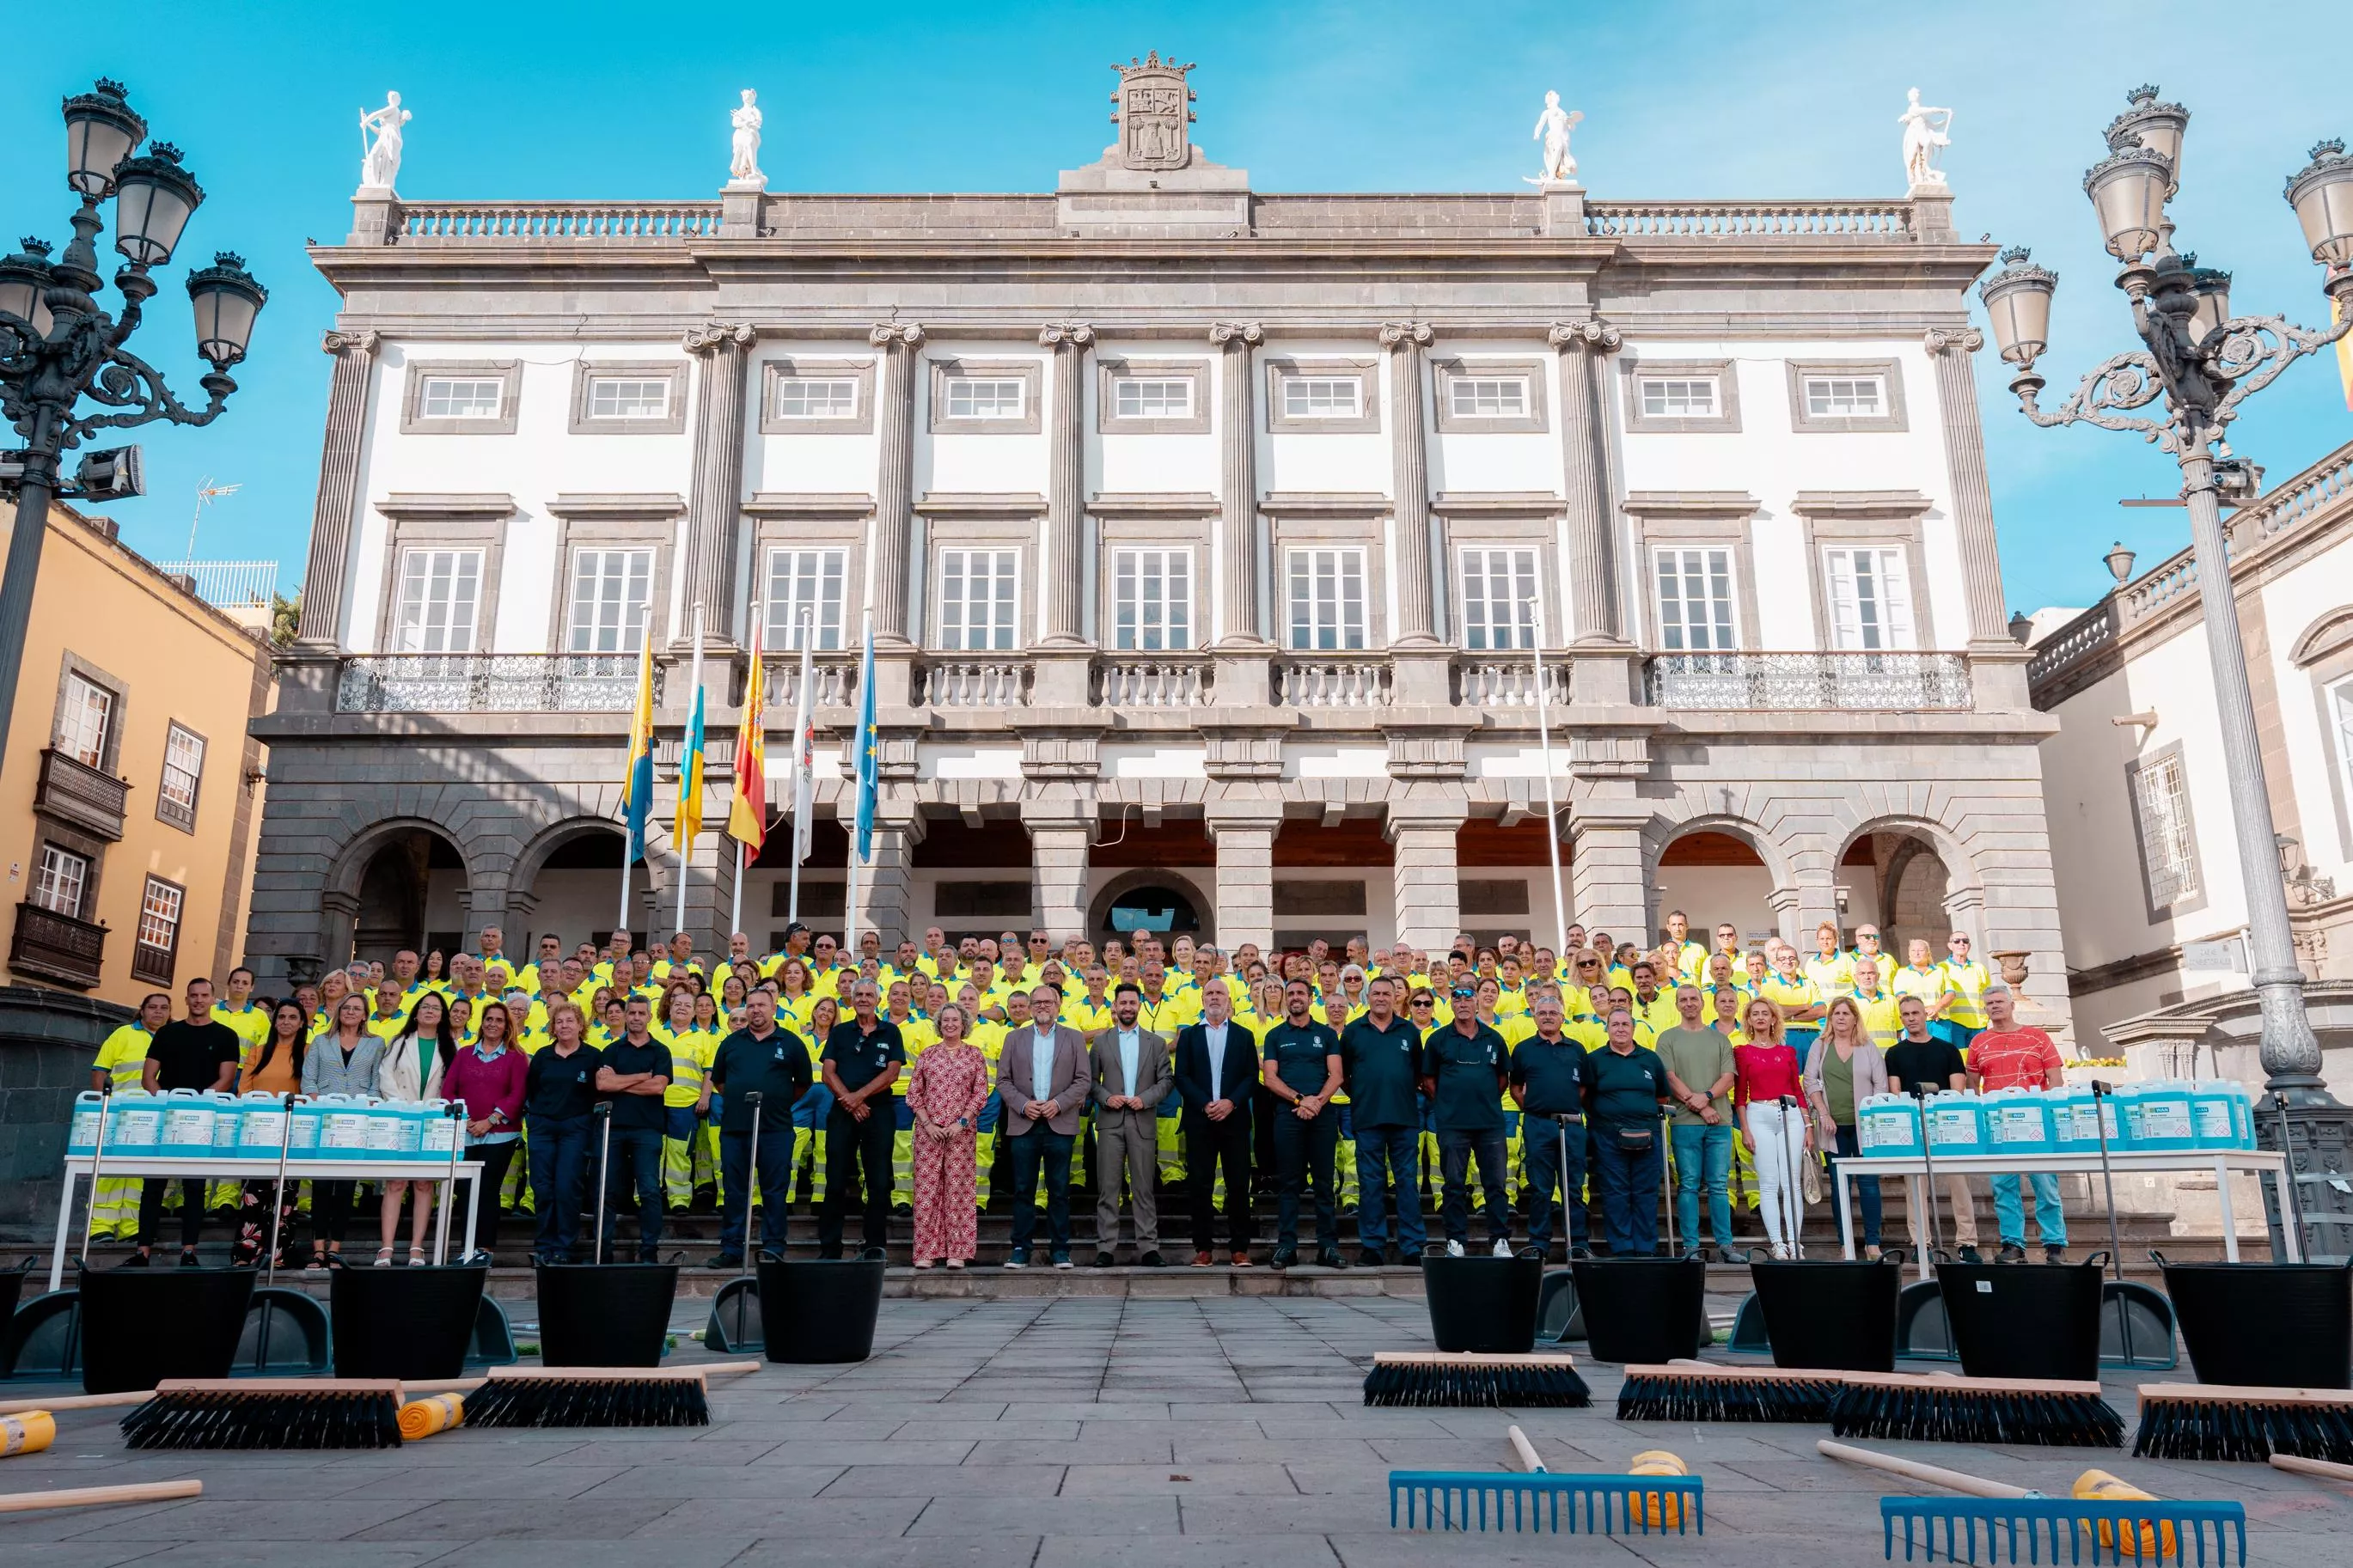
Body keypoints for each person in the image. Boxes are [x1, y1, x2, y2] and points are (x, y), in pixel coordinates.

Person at [130, 978, 241, 1266]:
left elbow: (227, 1078)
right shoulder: (167, 1034)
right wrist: (167, 1103)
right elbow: (148, 1077)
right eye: (194, 995)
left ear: (213, 998)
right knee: (153, 1185)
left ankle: (189, 1250)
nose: (199, 1000)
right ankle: (142, 1250)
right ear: (187, 999)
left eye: (205, 995)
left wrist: (198, 1104)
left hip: (202, 1118)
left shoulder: (226, 1036)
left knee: (195, 1185)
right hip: (166, 1117)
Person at [707, 987, 811, 1266]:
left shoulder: (790, 1043)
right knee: (734, 1190)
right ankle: (731, 1249)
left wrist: (776, 1101)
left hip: (775, 1129)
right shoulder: (731, 1043)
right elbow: (719, 1082)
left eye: (761, 1005)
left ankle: (774, 1247)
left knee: (774, 1191)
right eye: (751, 1005)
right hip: (735, 1128)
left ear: (773, 1007)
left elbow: (802, 1084)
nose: (755, 1010)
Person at [1969, 984, 2067, 1262]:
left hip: (2037, 1125)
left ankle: (2055, 1244)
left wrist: (2048, 1113)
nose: (1995, 1006)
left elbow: (2056, 1080)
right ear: (1985, 1009)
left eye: (2000, 1001)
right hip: (1998, 1128)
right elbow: (1973, 1086)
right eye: (1990, 1003)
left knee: (2046, 1186)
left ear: (2012, 1004)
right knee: (2004, 1188)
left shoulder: (2037, 1037)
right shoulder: (1978, 1043)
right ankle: (2013, 1244)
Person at [998, 984, 1089, 1268]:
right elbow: (1003, 1080)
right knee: (1024, 1188)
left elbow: (1084, 1080)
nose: (1042, 1007)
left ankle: (1060, 1250)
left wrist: (1059, 1103)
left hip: (1058, 1121)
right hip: (1024, 1122)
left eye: (1047, 1003)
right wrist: (1024, 1104)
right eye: (1036, 1003)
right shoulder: (1014, 1038)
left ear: (1058, 1006)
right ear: (1029, 1007)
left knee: (1059, 1189)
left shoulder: (1074, 1038)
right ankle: (1020, 1250)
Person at [1418, 982, 1512, 1260]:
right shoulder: (1438, 1040)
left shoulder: (1494, 1039)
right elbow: (1428, 1080)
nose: (1462, 1003)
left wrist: (1482, 1100)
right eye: (1456, 999)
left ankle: (1500, 1240)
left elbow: (1502, 1079)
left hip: (1490, 1123)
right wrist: (1447, 1104)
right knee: (1454, 1184)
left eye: (1467, 998)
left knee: (1495, 1184)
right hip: (1452, 1123)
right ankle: (1456, 1240)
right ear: (1451, 1005)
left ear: (1476, 1003)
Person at [1885, 996, 1980, 1262]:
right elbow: (1896, 1092)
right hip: (1913, 1126)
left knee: (1959, 1183)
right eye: (1906, 1014)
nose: (1911, 1018)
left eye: (1916, 1012)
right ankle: (1921, 1244)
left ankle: (1967, 1243)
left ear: (1925, 1015)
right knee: (1914, 1186)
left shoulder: (1948, 1050)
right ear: (1901, 1019)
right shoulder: (1894, 1053)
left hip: (1947, 1124)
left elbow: (1957, 1090)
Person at [1340, 976, 1425, 1266]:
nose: (1380, 998)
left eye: (1386, 994)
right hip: (1367, 1117)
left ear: (1395, 998)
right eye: (1375, 993)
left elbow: (1416, 1074)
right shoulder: (1353, 1032)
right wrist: (1365, 1094)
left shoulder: (1409, 1032)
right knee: (1371, 1184)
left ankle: (1412, 1246)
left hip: (1404, 1118)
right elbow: (1346, 1077)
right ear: (1368, 996)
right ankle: (1373, 1246)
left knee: (1406, 1183)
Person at [1172, 981, 1258, 1266]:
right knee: (1200, 1185)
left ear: (1229, 1000)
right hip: (1201, 1119)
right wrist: (1205, 1103)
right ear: (1202, 999)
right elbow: (1181, 1076)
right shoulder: (1189, 1037)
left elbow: (1250, 1077)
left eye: (1219, 993)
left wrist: (1231, 1102)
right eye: (1209, 993)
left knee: (1237, 1185)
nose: (1214, 997)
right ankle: (1204, 1248)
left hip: (1234, 1120)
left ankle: (1239, 1248)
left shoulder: (1244, 1036)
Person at [1262, 977, 1345, 1269]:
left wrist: (1316, 1102)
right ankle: (1287, 1247)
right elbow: (1270, 1078)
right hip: (1288, 1115)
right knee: (1289, 1184)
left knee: (1324, 1183)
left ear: (1311, 998)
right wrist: (1300, 1101)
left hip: (1322, 1115)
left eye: (1301, 993)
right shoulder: (1275, 1035)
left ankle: (1328, 1247)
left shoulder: (1326, 1034)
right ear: (1286, 999)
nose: (1296, 997)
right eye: (1291, 993)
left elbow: (1336, 1075)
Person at [300, 993, 388, 1268]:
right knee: (322, 1186)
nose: (350, 1012)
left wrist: (364, 1108)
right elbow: (308, 1081)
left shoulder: (376, 1044)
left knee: (347, 1187)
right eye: (346, 1008)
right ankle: (318, 1249)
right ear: (338, 1013)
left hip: (357, 1122)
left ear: (365, 1015)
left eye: (356, 1009)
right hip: (325, 1121)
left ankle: (335, 1247)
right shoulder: (320, 1041)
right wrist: (318, 1105)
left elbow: (376, 1083)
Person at [817, 979, 902, 1260]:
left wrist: (859, 1098)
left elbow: (892, 1074)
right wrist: (850, 1102)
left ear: (878, 1000)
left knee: (878, 1182)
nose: (864, 999)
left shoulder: (890, 1032)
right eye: (859, 995)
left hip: (878, 1112)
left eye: (869, 994)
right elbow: (827, 1073)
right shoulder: (840, 1032)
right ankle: (830, 1249)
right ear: (851, 1000)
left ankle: (874, 1247)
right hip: (842, 1112)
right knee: (835, 1181)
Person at [1089, 983, 1172, 1267]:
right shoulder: (1101, 1042)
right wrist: (1106, 1097)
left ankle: (1149, 1247)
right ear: (1115, 1006)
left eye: (1132, 1003)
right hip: (1110, 1122)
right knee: (1108, 1188)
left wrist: (1145, 1099)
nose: (1127, 1007)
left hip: (1142, 1121)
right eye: (1122, 1002)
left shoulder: (1156, 1043)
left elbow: (1166, 1080)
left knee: (1144, 1188)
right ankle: (1106, 1248)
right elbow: (1089, 1081)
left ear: (1139, 1006)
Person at [1655, 983, 1738, 1260]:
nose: (1689, 1003)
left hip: (1721, 1123)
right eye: (1683, 999)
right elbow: (1669, 1077)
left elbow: (1728, 1078)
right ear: (1677, 1005)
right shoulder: (1667, 1039)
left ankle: (1726, 1246)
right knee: (1688, 1184)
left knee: (1718, 1184)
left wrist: (1707, 1097)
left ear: (1702, 1004)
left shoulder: (1720, 1040)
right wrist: (1701, 1106)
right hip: (1685, 1123)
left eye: (1693, 999)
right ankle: (1690, 1246)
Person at [1579, 1007, 1672, 1256]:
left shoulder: (1650, 1059)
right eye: (1615, 1025)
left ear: (1633, 1028)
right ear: (1607, 1028)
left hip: (1648, 1135)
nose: (1620, 1029)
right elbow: (1585, 1098)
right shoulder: (1595, 1059)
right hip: (1608, 1137)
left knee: (1645, 1193)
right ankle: (1622, 1248)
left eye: (1625, 1024)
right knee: (1615, 1193)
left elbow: (1662, 1096)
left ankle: (1645, 1248)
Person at [1803, 997, 1889, 1259]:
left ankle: (1872, 1242)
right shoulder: (1820, 1045)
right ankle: (1845, 1244)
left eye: (1845, 1013)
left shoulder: (1868, 1046)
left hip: (1864, 1129)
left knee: (1869, 1185)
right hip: (1832, 1129)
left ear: (1855, 1018)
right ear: (1830, 1019)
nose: (1840, 1018)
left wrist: (1869, 1119)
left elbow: (1881, 1086)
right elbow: (1810, 1081)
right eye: (1836, 1013)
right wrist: (1824, 1114)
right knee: (1841, 1187)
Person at [907, 1002, 990, 1269]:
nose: (951, 1024)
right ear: (939, 1025)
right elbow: (914, 1094)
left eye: (956, 1020)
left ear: (964, 1024)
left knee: (958, 1192)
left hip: (961, 1135)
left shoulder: (974, 1055)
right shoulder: (927, 1055)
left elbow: (980, 1094)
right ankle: (926, 1252)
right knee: (927, 1191)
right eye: (946, 1021)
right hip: (928, 1134)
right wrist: (929, 1125)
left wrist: (961, 1122)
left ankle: (958, 1251)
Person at [443, 998, 527, 1262]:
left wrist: (490, 1120)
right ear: (481, 1023)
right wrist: (466, 1120)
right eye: (489, 1019)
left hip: (500, 1135)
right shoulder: (465, 1053)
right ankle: (467, 1248)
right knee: (465, 1191)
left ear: (507, 1026)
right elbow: (448, 1090)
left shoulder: (516, 1057)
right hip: (465, 1132)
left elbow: (518, 1094)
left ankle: (485, 1249)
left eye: (499, 1020)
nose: (493, 1024)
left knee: (489, 1190)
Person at [229, 999, 310, 1268]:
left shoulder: (307, 1052)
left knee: (285, 1196)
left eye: (292, 1017)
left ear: (301, 1022)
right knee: (255, 1193)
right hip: (261, 1131)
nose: (286, 1022)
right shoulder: (259, 1051)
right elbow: (244, 1089)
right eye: (281, 1017)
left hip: (291, 1131)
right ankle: (246, 1253)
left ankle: (279, 1254)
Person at [1509, 994, 1590, 1260]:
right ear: (1534, 1017)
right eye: (1542, 1012)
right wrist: (1535, 1108)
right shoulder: (1523, 1050)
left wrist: (1564, 1108)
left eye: (1552, 1013)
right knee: (1540, 1189)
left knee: (1574, 1188)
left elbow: (1583, 1088)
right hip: (1538, 1125)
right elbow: (1516, 1089)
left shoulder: (1577, 1049)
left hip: (1571, 1125)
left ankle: (1577, 1244)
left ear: (1562, 1017)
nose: (1547, 1016)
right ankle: (1539, 1244)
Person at [593, 996, 673, 1263]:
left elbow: (658, 1087)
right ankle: (602, 1253)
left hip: (647, 1129)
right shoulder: (612, 1050)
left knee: (649, 1190)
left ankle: (649, 1251)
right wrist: (641, 1076)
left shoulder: (660, 1052)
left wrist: (620, 1082)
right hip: (612, 1128)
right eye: (632, 1013)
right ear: (625, 1017)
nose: (637, 1017)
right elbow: (603, 1086)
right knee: (607, 1190)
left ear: (650, 1017)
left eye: (642, 1013)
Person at [376, 991, 453, 1266]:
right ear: (416, 1012)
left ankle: (417, 1247)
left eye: (436, 1008)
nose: (430, 1011)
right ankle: (386, 1247)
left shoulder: (450, 1046)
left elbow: (451, 1086)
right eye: (425, 1007)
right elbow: (386, 1078)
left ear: (442, 1016)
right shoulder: (399, 1043)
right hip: (401, 1120)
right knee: (396, 1183)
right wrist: (402, 1109)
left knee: (423, 1183)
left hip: (433, 1123)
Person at [524, 1003, 600, 1263]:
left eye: (570, 1021)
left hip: (575, 1129)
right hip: (542, 1128)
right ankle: (544, 1246)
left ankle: (563, 1247)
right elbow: (531, 1090)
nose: (564, 1026)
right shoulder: (543, 1056)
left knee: (567, 1187)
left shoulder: (593, 1056)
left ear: (581, 1025)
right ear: (552, 1027)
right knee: (543, 1188)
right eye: (559, 1021)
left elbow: (598, 1092)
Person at [1733, 998, 1807, 1259]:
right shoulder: (1742, 1051)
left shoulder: (1787, 1052)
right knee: (1768, 1183)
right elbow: (1740, 1094)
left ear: (1774, 1018)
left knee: (1792, 1183)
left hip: (1790, 1113)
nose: (1761, 1018)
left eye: (1766, 1013)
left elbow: (1797, 1089)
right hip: (1759, 1113)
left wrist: (1808, 1124)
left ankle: (1795, 1241)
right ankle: (1777, 1242)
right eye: (1755, 1014)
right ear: (1749, 1020)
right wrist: (1745, 1128)